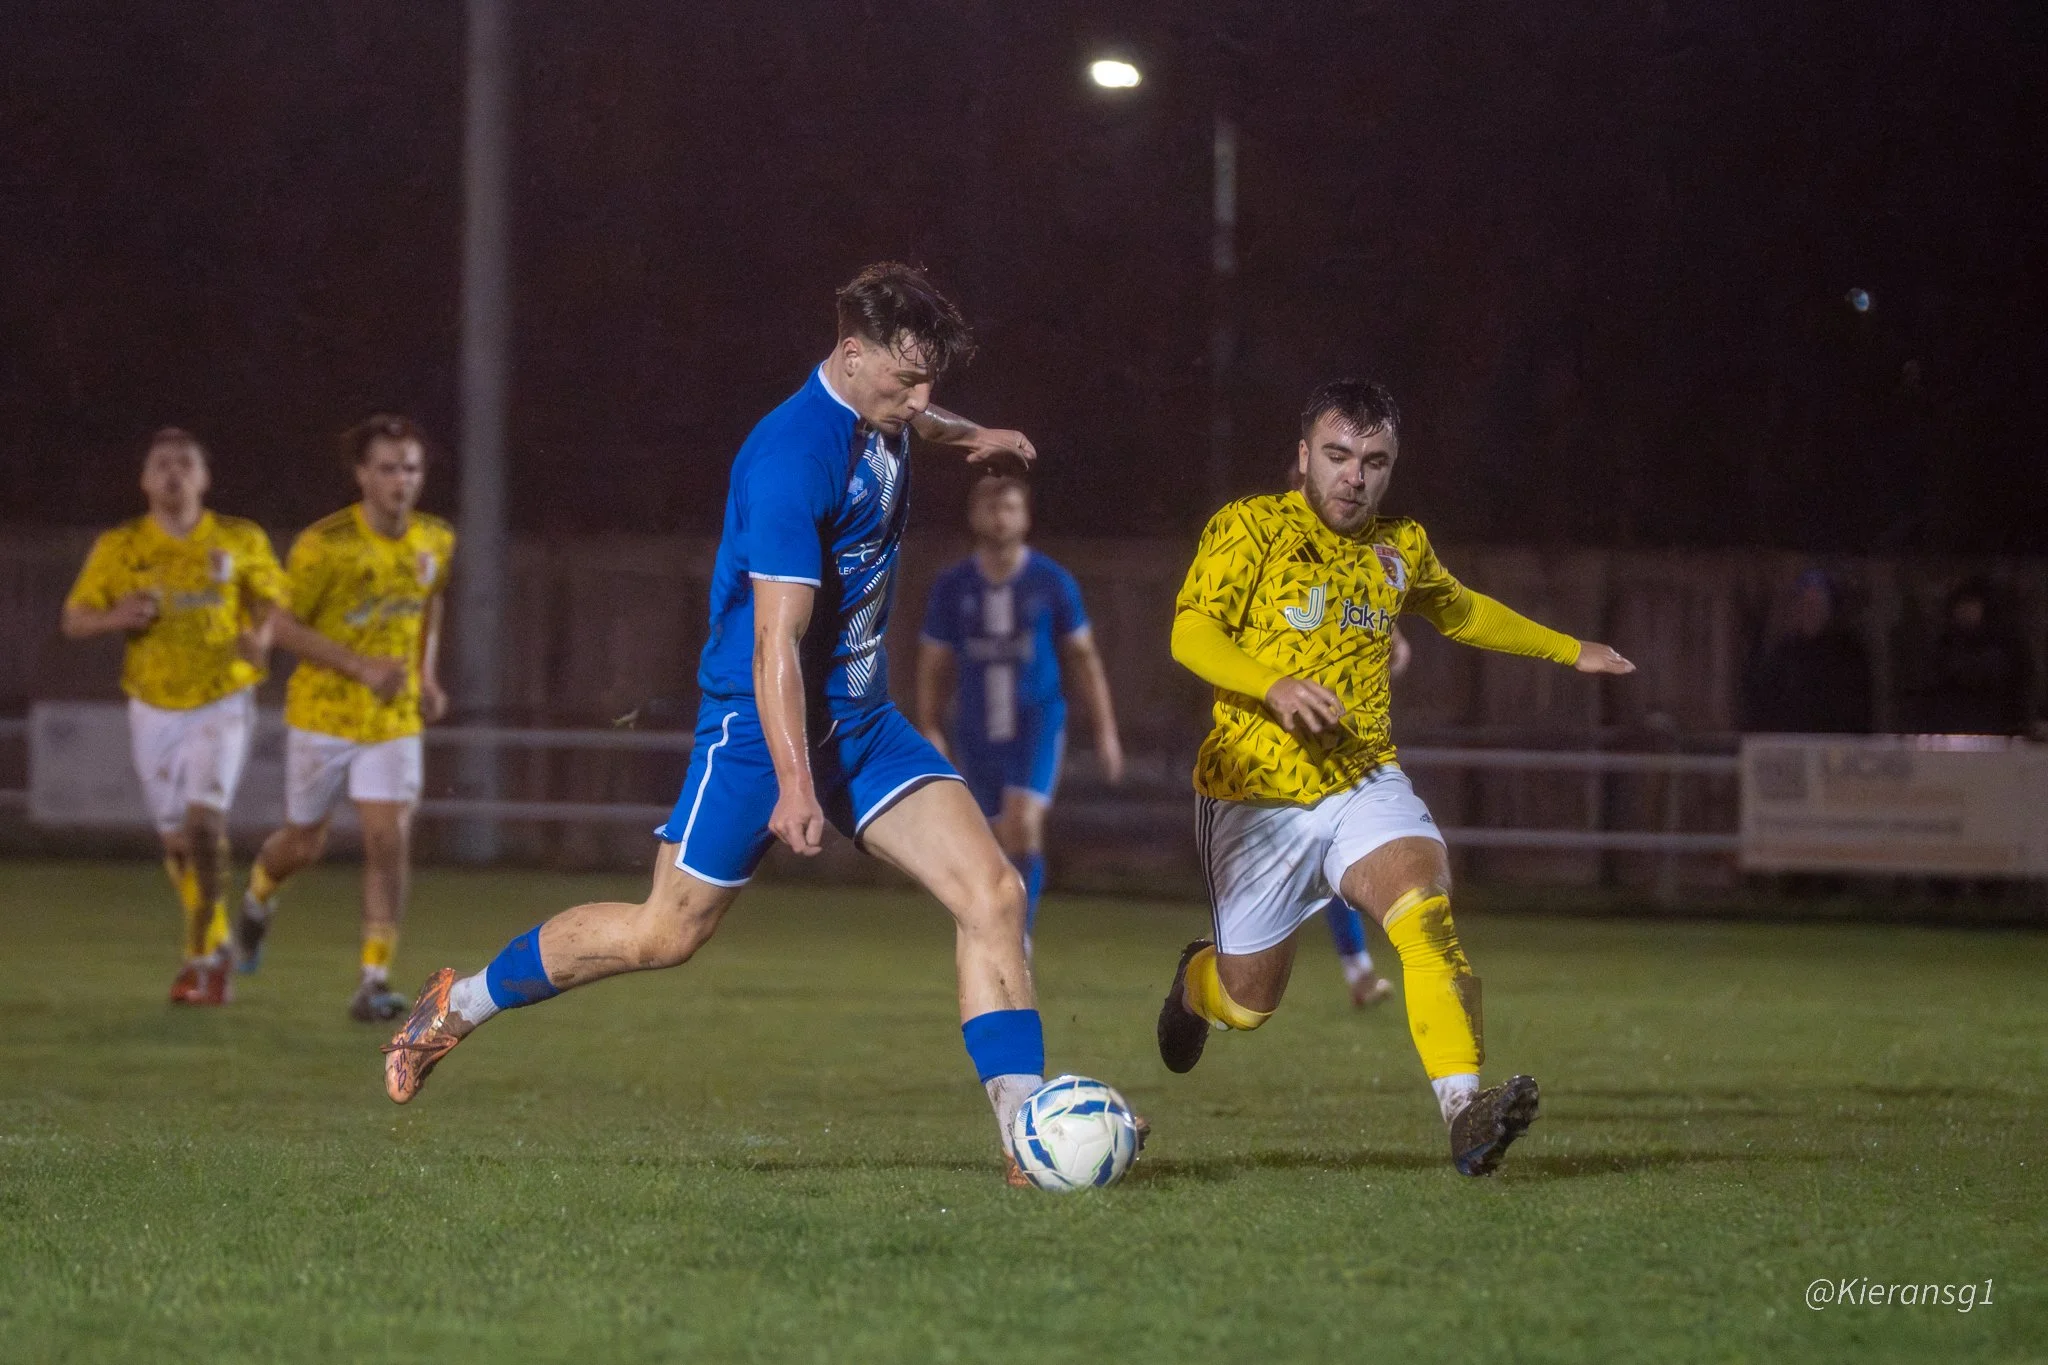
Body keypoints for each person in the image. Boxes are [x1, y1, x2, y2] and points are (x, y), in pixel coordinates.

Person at [381, 263, 1123, 1186]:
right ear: (851, 356)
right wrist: (797, 785)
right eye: (907, 378)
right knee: (664, 934)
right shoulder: (789, 458)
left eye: (932, 380)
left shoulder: (888, 410)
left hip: (862, 719)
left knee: (995, 895)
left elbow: (919, 419)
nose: (922, 397)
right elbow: (778, 639)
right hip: (758, 728)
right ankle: (458, 1004)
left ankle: (1025, 1136)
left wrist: (977, 434)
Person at [1154, 379, 1636, 1176]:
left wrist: (1565, 647)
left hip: (1362, 777)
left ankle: (1464, 1112)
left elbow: (1461, 609)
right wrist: (1271, 683)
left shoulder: (1399, 546)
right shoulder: (1250, 527)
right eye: (1338, 456)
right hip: (1254, 795)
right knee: (1247, 1003)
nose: (1355, 476)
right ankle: (1192, 985)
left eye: (1374, 462)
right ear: (1302, 456)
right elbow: (1190, 631)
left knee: (1426, 915)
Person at [61, 428, 290, 1005]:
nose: (173, 474)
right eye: (161, 464)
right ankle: (214, 947)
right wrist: (116, 617)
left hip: (223, 697)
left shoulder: (238, 538)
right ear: (144, 479)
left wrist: (259, 637)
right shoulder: (121, 546)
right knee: (176, 843)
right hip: (153, 704)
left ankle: (200, 961)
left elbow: (273, 600)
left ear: (204, 479)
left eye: (185, 464)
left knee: (205, 826)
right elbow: (74, 619)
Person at [234, 416, 451, 1022]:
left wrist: (426, 676)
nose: (401, 479)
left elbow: (429, 607)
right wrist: (359, 667)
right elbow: (279, 625)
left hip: (393, 719)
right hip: (323, 716)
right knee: (304, 842)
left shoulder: (435, 540)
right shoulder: (323, 545)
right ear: (362, 475)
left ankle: (373, 980)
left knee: (389, 840)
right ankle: (257, 898)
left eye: (410, 467)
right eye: (387, 467)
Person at [914, 476, 1123, 951]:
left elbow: (1084, 658)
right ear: (974, 516)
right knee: (989, 838)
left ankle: (1019, 936)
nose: (1000, 517)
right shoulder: (953, 587)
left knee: (1022, 823)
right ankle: (995, 923)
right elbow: (933, 661)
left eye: (1009, 507)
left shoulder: (1051, 582)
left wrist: (1107, 732)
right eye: (991, 507)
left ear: (1025, 517)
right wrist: (929, 724)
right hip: (975, 725)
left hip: (1037, 721)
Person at [1742, 569, 1871, 734]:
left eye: (1818, 604)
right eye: (1805, 603)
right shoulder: (1782, 656)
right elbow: (1765, 709)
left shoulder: (1849, 657)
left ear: (1829, 610)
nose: (1811, 611)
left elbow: (1857, 716)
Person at [1912, 577, 2030, 735]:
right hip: (1948, 733)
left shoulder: (2004, 646)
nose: (1967, 610)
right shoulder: (1943, 646)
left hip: (1995, 733)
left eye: (1972, 604)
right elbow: (1929, 690)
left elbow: (2014, 691)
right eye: (1962, 605)